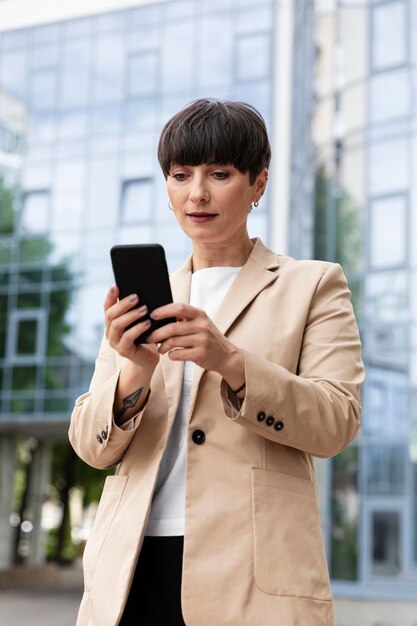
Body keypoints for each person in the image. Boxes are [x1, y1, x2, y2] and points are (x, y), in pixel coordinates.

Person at [69, 98, 364, 626]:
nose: (197, 193)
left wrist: (232, 361)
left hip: (251, 573)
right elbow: (92, 448)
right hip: (129, 571)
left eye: (220, 173)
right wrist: (133, 373)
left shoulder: (313, 285)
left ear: (258, 185)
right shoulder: (143, 298)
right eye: (180, 175)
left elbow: (335, 422)